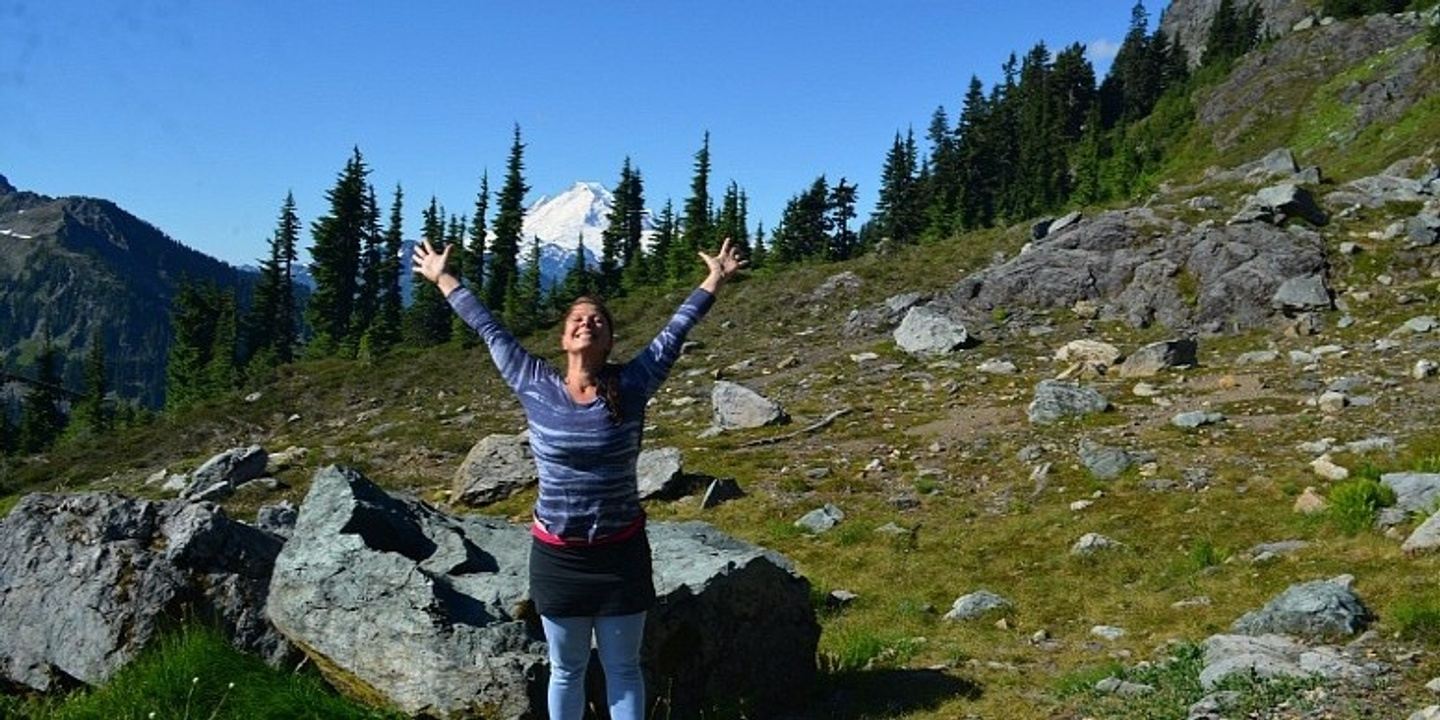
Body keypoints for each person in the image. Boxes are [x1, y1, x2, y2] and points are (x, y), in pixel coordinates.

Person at [412, 237, 745, 720]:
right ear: (564, 339)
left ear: (609, 341)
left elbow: (675, 330)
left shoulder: (632, 384)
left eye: (598, 321)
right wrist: (443, 278)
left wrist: (714, 278)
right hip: (558, 556)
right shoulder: (534, 382)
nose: (587, 323)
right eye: (578, 320)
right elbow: (489, 328)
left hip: (620, 554)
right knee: (566, 669)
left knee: (623, 667)